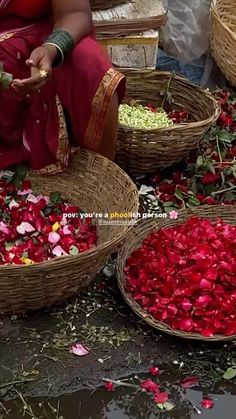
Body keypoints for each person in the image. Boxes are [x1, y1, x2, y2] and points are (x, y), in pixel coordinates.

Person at [0, 0, 125, 173]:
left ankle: (101, 179)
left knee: (89, 64)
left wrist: (52, 49)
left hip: (43, 36)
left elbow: (75, 13)